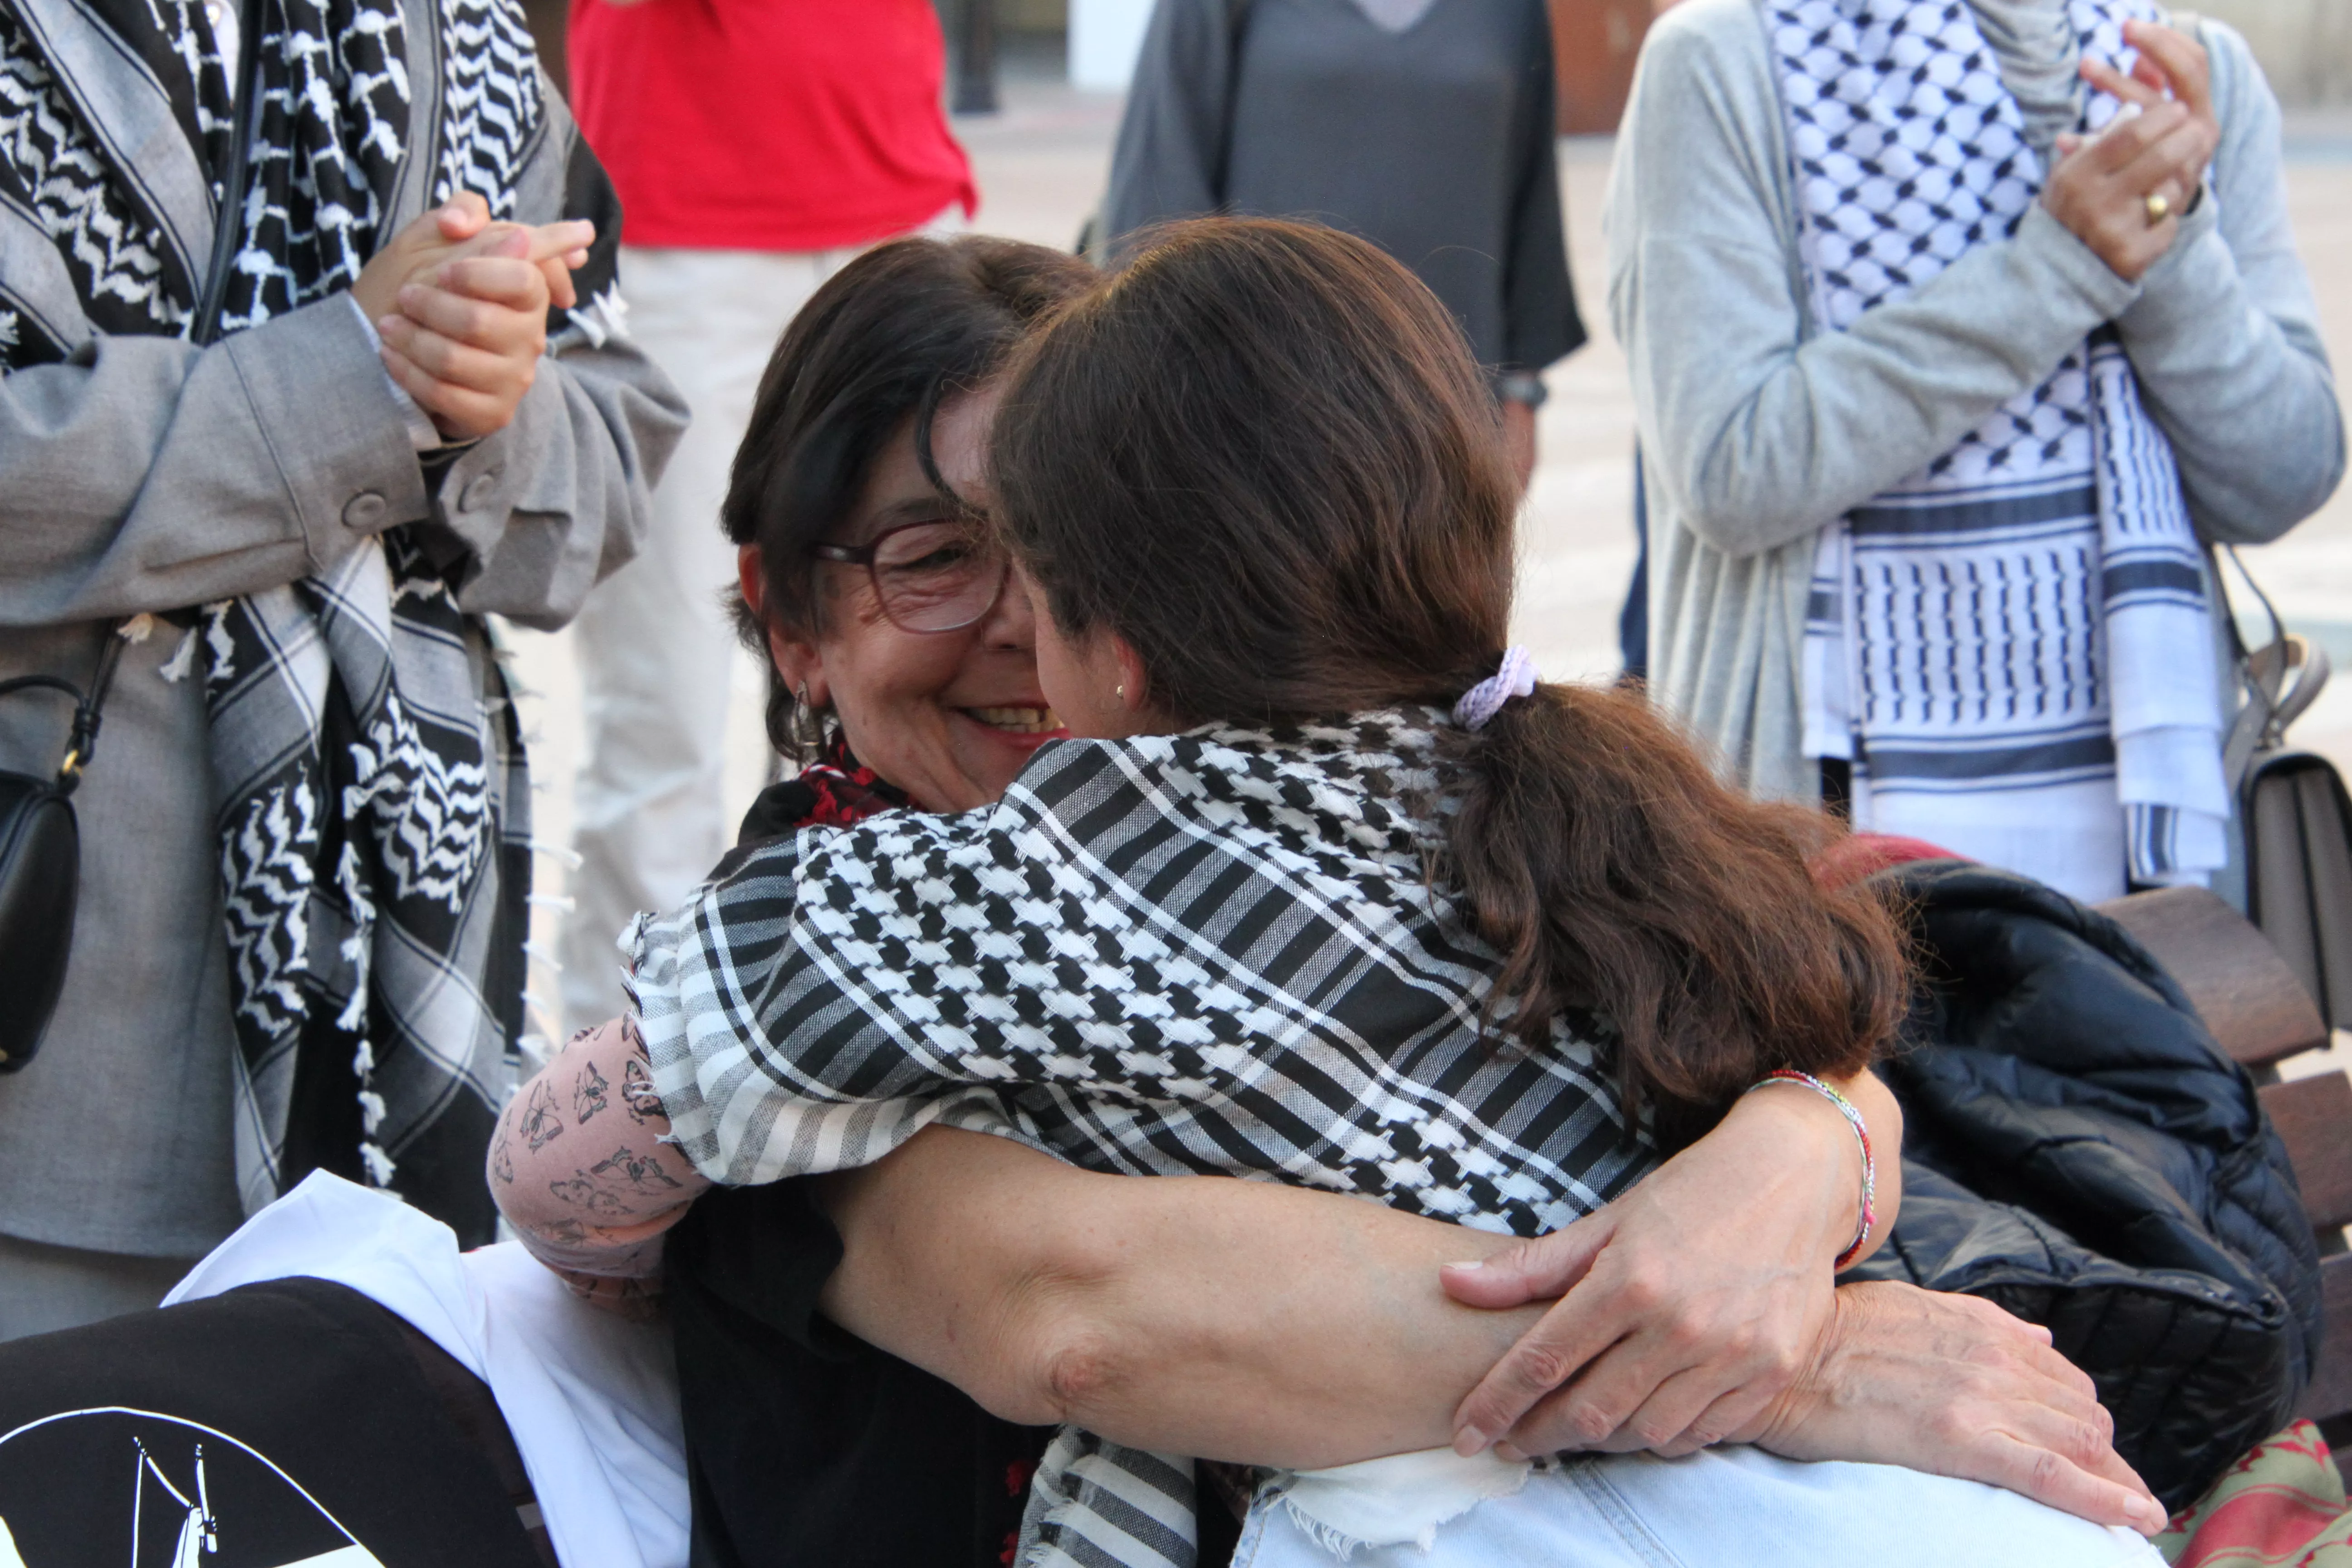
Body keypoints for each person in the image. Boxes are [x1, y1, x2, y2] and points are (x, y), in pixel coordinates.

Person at [501, 223, 2174, 1566]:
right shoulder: (850, 937)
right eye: (939, 558)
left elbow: (1790, 1026)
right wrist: (1780, 1364)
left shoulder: (1502, 781)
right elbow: (1082, 1314)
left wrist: (1800, 1147)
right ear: (789, 619)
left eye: (1058, 549)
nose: (1017, 624)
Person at [0, 0, 685, 1341]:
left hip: (390, 1038)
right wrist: (352, 380)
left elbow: (606, 474)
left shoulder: (458, 42)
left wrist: (479, 402)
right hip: (59, 1062)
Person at [1619, 0, 2344, 904]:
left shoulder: (2189, 73)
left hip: (2150, 859)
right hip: (1825, 862)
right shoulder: (1724, 63)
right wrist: (2060, 270)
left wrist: (2172, 229)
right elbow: (1732, 469)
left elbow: (2285, 474)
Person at [555, 0, 977, 1028]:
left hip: (892, 177)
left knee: (913, 687)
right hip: (678, 214)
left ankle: (862, 1054)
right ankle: (622, 1108)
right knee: (666, 712)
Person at [1101, 0, 1576, 490]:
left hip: (1447, 414)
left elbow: (1530, 197)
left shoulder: (1513, 11)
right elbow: (1160, 180)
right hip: (1255, 407)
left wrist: (1522, 390)